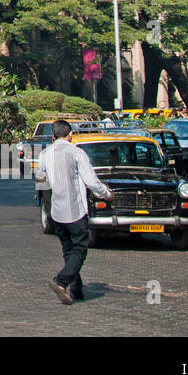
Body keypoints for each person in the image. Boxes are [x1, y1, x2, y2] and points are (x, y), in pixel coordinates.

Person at [39, 119, 113, 304]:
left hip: (56, 211)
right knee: (80, 248)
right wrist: (106, 194)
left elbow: (42, 182)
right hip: (75, 210)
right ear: (70, 135)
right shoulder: (77, 153)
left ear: (53, 136)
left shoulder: (44, 154)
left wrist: (47, 208)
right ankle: (61, 281)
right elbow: (91, 181)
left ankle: (76, 289)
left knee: (68, 250)